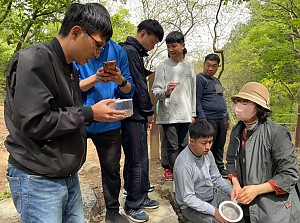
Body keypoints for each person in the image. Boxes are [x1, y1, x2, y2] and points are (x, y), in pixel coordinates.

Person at [4, 3, 126, 223]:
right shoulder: (35, 59)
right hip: (37, 176)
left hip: (67, 175)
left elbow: (66, 112)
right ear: (77, 32)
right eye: (97, 45)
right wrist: (89, 113)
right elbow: (34, 122)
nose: (97, 53)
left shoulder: (69, 68)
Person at [74, 37, 135, 222]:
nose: (98, 51)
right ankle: (70, 209)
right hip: (80, 118)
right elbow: (72, 88)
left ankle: (113, 211)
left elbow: (130, 90)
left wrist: (119, 80)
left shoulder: (118, 51)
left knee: (111, 169)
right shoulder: (78, 48)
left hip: (110, 121)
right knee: (71, 164)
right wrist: (96, 78)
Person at [226, 82, 300, 223]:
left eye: (245, 102)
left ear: (258, 107)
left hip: (273, 209)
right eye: (239, 101)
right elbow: (230, 161)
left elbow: (289, 175)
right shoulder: (237, 130)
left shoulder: (276, 133)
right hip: (245, 205)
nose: (239, 106)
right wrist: (235, 183)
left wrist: (257, 190)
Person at [120, 19, 164, 222]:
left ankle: (138, 193)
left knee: (137, 158)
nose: (152, 46)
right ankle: (133, 204)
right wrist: (149, 111)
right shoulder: (129, 51)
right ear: (143, 33)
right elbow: (138, 85)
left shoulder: (134, 52)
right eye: (153, 42)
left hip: (134, 114)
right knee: (137, 160)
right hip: (133, 114)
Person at [173, 119, 233, 223]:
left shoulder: (207, 154)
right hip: (191, 208)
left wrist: (231, 191)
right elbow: (188, 198)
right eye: (204, 143)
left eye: (210, 142)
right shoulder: (184, 165)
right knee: (219, 221)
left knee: (235, 207)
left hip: (211, 197)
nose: (208, 147)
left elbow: (216, 178)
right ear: (191, 141)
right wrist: (214, 212)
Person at [152, 31, 196, 173]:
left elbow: (193, 92)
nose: (171, 50)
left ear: (182, 45)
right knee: (172, 146)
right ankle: (175, 172)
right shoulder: (163, 66)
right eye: (168, 47)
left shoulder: (189, 67)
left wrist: (193, 113)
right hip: (169, 115)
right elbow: (155, 91)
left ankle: (184, 172)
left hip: (186, 114)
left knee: (184, 145)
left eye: (174, 46)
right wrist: (166, 92)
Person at [196, 53, 229, 177]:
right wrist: (202, 119)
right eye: (208, 65)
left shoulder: (216, 81)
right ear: (203, 64)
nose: (210, 69)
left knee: (220, 144)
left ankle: (220, 167)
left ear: (218, 67)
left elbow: (221, 98)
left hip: (222, 117)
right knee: (209, 145)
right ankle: (209, 170)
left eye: (214, 66)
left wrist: (227, 117)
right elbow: (197, 100)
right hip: (209, 117)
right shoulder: (200, 79)